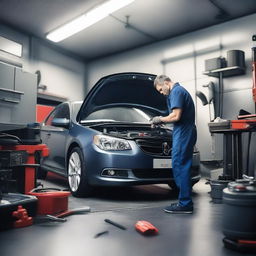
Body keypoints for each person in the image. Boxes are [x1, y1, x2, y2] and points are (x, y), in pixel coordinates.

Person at [152, 75, 197, 214]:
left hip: (184, 132)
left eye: (160, 89)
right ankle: (184, 200)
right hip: (183, 131)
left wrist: (159, 119)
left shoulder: (176, 91)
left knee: (180, 164)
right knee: (181, 164)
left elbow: (176, 116)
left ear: (166, 83)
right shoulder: (178, 92)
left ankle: (185, 204)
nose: (161, 93)